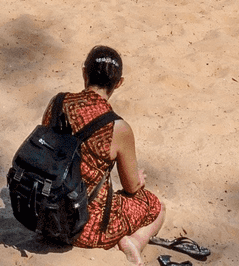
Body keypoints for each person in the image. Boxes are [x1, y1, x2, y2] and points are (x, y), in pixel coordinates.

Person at [38, 46, 169, 264]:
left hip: (42, 215)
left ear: (84, 73)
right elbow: (131, 187)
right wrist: (139, 180)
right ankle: (135, 242)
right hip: (82, 227)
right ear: (119, 83)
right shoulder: (117, 127)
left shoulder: (58, 103)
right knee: (156, 205)